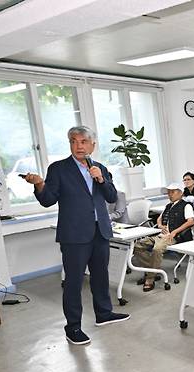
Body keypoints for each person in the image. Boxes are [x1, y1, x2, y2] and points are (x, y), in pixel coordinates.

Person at [24, 125, 128, 345]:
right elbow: (47, 200)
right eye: (73, 141)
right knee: (73, 282)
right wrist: (39, 184)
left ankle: (104, 314)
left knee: (101, 277)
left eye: (83, 142)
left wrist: (100, 179)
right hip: (74, 235)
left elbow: (111, 197)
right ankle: (73, 327)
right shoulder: (58, 169)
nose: (78, 146)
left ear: (92, 144)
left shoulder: (99, 167)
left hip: (100, 231)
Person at [134, 183, 194, 291]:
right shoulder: (168, 206)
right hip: (161, 235)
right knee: (137, 246)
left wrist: (174, 232)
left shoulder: (186, 205)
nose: (169, 194)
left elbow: (190, 222)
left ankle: (150, 278)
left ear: (180, 193)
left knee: (157, 249)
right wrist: (161, 225)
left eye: (172, 192)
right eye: (168, 192)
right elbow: (159, 219)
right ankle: (152, 271)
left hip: (173, 237)